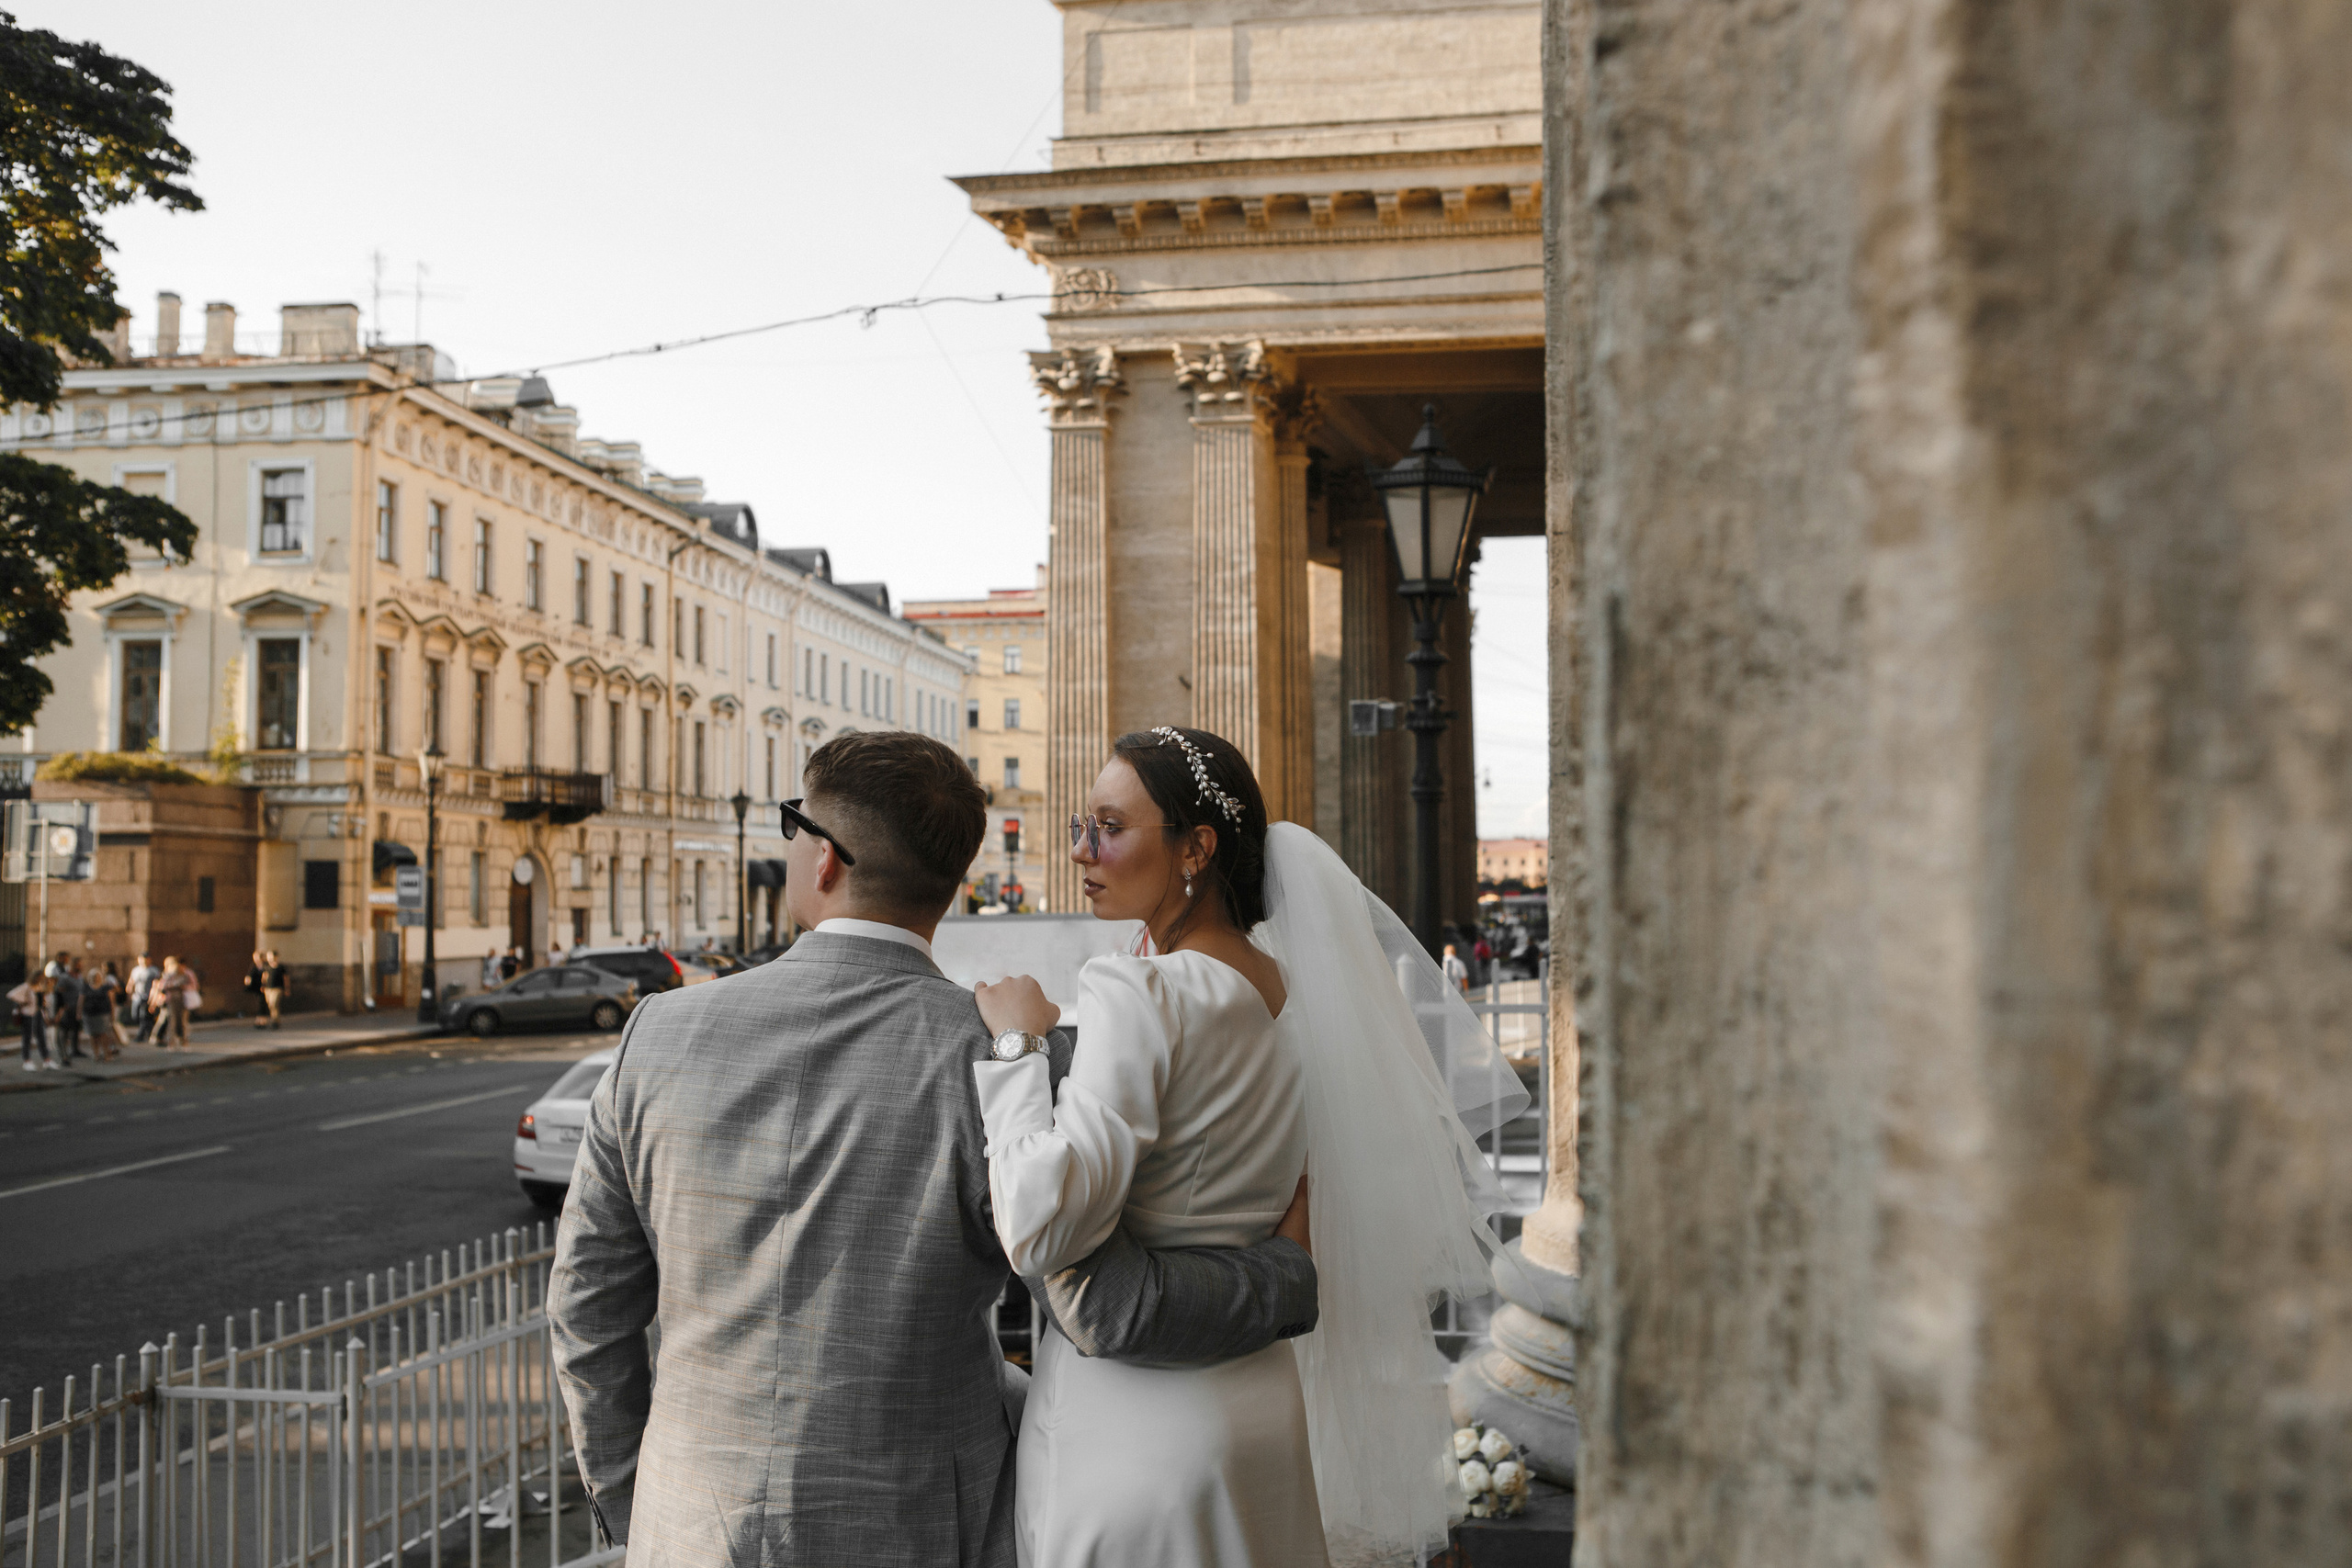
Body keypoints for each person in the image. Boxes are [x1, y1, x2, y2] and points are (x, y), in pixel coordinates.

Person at [548, 730, 1319, 1568]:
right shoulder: (1000, 1054)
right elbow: (1105, 1303)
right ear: (950, 885)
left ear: (826, 861)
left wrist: (635, 1504)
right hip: (927, 1526)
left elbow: (588, 1300)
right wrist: (1286, 1274)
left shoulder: (657, 1033)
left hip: (689, 1523)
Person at [973, 726, 1526, 1567]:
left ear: (1197, 847)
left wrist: (1015, 1051)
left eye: (1111, 827)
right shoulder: (1290, 994)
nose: (1085, 850)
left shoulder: (1139, 991)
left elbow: (1037, 1223)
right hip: (1259, 1405)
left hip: (1134, 1427)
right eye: (1083, 826)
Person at [13, 973, 54, 1070]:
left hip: (37, 1014)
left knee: (41, 1037)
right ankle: (27, 1061)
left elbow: (42, 1004)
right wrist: (24, 1002)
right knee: (27, 1038)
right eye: (39, 978)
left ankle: (47, 1060)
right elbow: (13, 995)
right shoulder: (26, 987)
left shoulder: (38, 988)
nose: (40, 980)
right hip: (27, 1015)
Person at [81, 962, 121, 1062]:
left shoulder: (106, 987)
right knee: (93, 1035)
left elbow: (112, 1001)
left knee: (103, 1035)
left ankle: (106, 1053)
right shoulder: (86, 987)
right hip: (89, 1014)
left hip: (102, 1014)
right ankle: (96, 1054)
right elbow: (81, 1001)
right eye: (94, 977)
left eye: (97, 976)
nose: (96, 978)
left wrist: (112, 1014)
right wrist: (79, 1013)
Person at [153, 956, 193, 1048]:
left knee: (181, 1022)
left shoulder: (185, 974)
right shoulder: (165, 975)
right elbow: (160, 987)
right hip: (169, 1001)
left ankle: (182, 1041)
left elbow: (191, 985)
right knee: (171, 1022)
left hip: (181, 1001)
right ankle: (171, 1042)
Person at [127, 953, 157, 1043]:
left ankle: (140, 1036)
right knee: (135, 1016)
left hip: (147, 997)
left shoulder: (153, 971)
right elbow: (131, 981)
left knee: (143, 1016)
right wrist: (129, 989)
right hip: (137, 997)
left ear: (149, 960)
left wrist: (153, 998)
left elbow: (156, 984)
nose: (142, 961)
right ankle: (149, 1032)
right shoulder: (135, 970)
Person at [258, 951, 287, 1029]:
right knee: (270, 1005)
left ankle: (275, 1021)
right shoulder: (267, 967)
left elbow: (285, 978)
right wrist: (263, 985)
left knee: (274, 1003)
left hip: (277, 988)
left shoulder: (280, 967)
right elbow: (264, 976)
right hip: (268, 989)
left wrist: (287, 988)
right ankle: (274, 1019)